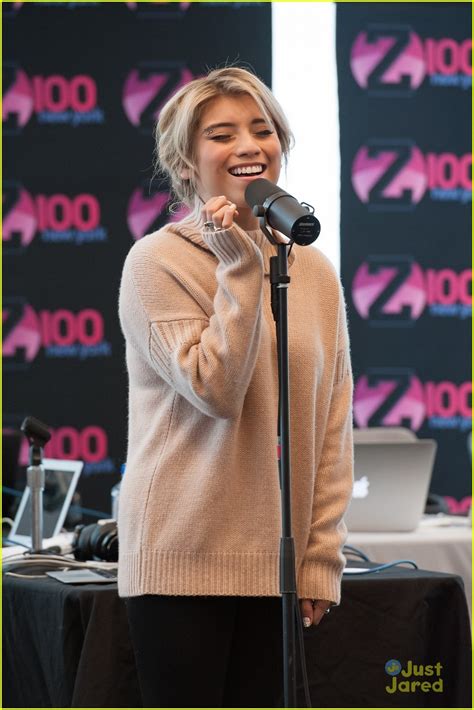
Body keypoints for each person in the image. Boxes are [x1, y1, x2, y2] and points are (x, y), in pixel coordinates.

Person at [118, 66, 353, 708]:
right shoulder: (156, 262)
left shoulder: (315, 272)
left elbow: (329, 422)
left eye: (263, 129)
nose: (250, 145)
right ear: (187, 163)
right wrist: (239, 265)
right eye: (222, 134)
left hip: (276, 568)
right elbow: (214, 389)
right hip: (180, 558)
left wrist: (319, 555)